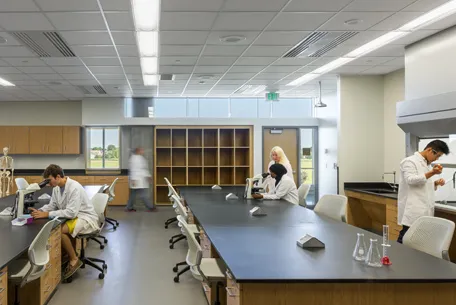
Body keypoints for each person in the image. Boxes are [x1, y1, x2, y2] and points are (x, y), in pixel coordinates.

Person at [29, 164, 100, 279]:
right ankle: (69, 255)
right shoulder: (57, 188)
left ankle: (74, 259)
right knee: (63, 227)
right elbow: (53, 205)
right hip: (75, 217)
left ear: (58, 177)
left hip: (85, 217)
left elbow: (71, 212)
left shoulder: (74, 187)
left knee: (60, 231)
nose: (48, 184)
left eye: (49, 180)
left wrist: (47, 214)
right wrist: (39, 211)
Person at [397, 140, 450, 243]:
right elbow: (411, 180)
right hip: (413, 211)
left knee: (417, 242)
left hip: (424, 211)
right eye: (437, 155)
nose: (437, 159)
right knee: (405, 239)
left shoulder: (427, 164)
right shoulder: (409, 161)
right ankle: (394, 258)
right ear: (430, 150)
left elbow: (423, 185)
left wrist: (435, 183)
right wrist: (432, 173)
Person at [126, 147, 156, 212]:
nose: (143, 151)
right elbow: (133, 170)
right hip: (136, 180)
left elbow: (144, 169)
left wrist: (148, 176)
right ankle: (150, 207)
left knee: (133, 195)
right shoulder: (133, 159)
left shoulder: (140, 158)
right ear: (138, 151)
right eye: (142, 150)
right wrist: (133, 179)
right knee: (143, 195)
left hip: (140, 179)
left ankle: (129, 207)